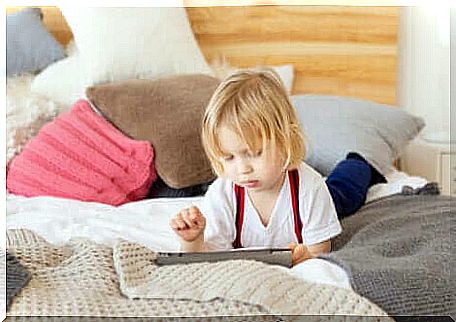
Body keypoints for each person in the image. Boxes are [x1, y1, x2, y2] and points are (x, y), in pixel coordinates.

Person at [170, 68, 386, 266]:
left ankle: (357, 163)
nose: (243, 169)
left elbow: (320, 251)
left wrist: (307, 257)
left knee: (343, 193)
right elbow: (208, 256)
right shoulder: (223, 193)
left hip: (308, 191)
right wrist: (193, 240)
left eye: (254, 153)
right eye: (228, 157)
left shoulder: (310, 188)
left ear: (285, 140)